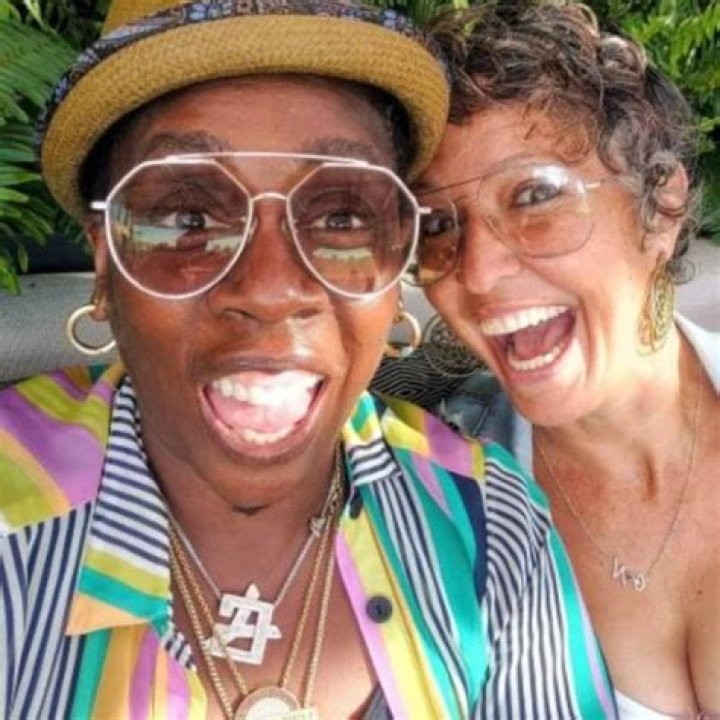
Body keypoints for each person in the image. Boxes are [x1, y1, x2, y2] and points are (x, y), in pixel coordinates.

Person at [0, 0, 617, 718]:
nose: (271, 290)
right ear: (105, 261)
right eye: (189, 218)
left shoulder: (490, 523)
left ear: (397, 262)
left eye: (341, 216)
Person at [377, 2, 719, 717]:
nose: (477, 271)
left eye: (535, 196)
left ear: (660, 207)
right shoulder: (427, 497)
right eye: (438, 225)